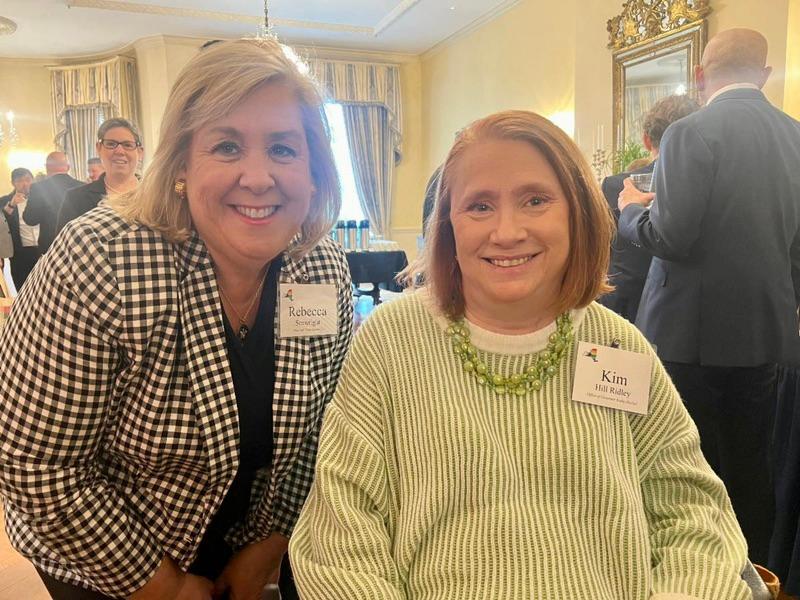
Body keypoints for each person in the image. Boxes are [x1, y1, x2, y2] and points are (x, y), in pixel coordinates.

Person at [289, 110, 752, 599]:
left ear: (576, 212)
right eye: (479, 206)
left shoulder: (616, 344)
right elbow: (341, 532)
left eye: (535, 200)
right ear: (448, 225)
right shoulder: (390, 341)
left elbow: (692, 515)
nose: (506, 232)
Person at [0, 37, 352, 600]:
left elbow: (325, 431)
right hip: (100, 555)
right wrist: (163, 583)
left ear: (314, 171)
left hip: (244, 542)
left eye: (284, 148)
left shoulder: (321, 266)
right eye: (227, 146)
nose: (258, 177)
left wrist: (272, 542)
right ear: (182, 163)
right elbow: (37, 466)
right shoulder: (101, 257)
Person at [617, 28, 800, 565]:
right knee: (751, 464)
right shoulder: (795, 136)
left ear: (700, 75)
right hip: (767, 334)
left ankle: (692, 571)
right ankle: (754, 576)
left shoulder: (689, 132)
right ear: (764, 74)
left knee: (681, 465)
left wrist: (629, 211)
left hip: (686, 336)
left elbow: (670, 237)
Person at [599, 94, 699, 322]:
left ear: (646, 140)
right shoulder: (705, 189)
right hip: (679, 310)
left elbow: (598, 252)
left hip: (620, 306)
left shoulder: (614, 186)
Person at [56, 118, 143, 236]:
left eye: (128, 145)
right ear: (99, 148)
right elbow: (64, 244)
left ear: (140, 152)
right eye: (111, 144)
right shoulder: (75, 199)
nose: (119, 151)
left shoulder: (159, 194)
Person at [22, 151, 83, 254]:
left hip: (49, 246)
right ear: (68, 167)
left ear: (47, 167)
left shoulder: (38, 188)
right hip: (77, 244)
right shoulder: (82, 186)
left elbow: (30, 219)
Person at [0, 168, 40, 289]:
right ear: (13, 183)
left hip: (42, 249)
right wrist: (11, 205)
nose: (25, 184)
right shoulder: (4, 201)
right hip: (19, 252)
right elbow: (2, 224)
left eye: (28, 180)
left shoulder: (41, 198)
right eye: (20, 181)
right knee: (23, 287)